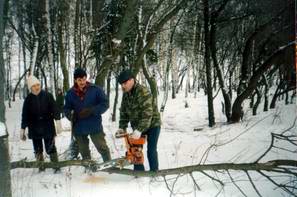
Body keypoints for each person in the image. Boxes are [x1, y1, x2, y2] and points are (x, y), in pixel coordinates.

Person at [116, 70, 161, 171]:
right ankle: (139, 173)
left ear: (132, 80)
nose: (123, 86)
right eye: (121, 84)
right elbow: (124, 112)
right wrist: (121, 127)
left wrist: (139, 130)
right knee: (135, 150)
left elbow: (147, 114)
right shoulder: (126, 94)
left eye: (125, 83)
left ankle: (154, 172)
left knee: (151, 150)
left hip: (153, 124)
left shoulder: (142, 92)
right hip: (138, 125)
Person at [64, 68, 111, 162]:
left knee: (101, 146)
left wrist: (92, 110)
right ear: (75, 80)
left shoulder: (96, 90)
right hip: (79, 126)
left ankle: (108, 163)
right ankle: (88, 166)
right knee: (83, 150)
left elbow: (105, 104)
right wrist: (71, 116)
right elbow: (66, 108)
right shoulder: (70, 93)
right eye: (79, 80)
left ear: (86, 78)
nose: (82, 82)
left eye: (84, 79)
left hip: (94, 124)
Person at [20, 75, 62, 172]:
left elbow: (55, 110)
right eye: (34, 86)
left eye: (38, 84)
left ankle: (56, 167)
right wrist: (23, 129)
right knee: (38, 149)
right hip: (34, 128)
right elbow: (25, 115)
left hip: (48, 127)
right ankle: (41, 167)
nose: (37, 87)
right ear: (30, 87)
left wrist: (58, 122)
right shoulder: (28, 99)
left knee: (50, 148)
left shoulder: (48, 96)